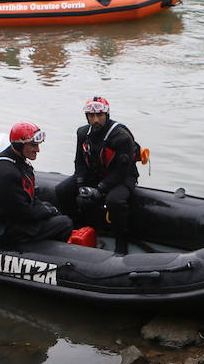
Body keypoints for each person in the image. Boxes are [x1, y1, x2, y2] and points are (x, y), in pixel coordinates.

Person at [54, 96, 140, 254]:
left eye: (99, 115)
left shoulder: (121, 137)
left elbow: (122, 171)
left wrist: (100, 189)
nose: (95, 120)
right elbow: (79, 162)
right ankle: (76, 228)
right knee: (62, 190)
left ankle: (121, 244)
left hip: (121, 177)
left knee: (115, 201)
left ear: (106, 115)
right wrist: (81, 185)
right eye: (91, 116)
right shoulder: (82, 133)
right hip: (95, 173)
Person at [0, 122, 73, 247]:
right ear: (19, 145)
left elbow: (26, 199)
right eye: (33, 145)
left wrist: (48, 208)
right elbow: (22, 212)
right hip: (4, 230)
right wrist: (49, 211)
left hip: (12, 216)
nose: (38, 150)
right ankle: (45, 251)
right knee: (65, 223)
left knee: (52, 199)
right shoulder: (5, 174)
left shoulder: (16, 160)